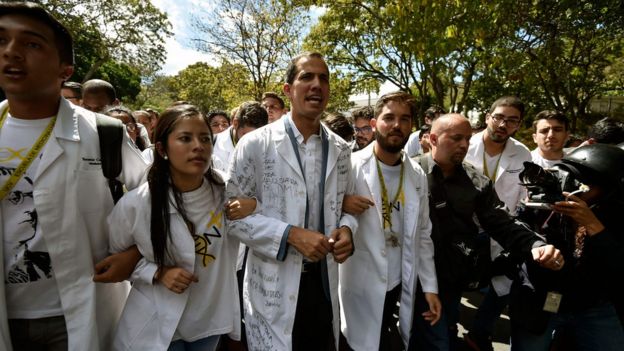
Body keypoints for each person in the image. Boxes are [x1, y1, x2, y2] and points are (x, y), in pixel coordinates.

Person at [0, 3, 146, 350]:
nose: (11, 52)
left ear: (65, 69)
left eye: (31, 44)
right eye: (2, 40)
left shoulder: (103, 133)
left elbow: (156, 195)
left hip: (78, 314)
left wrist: (136, 253)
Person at [226, 52, 356, 350]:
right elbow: (230, 215)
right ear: (288, 89)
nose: (316, 85)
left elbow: (344, 205)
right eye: (306, 77)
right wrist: (290, 235)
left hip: (324, 285)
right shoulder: (255, 144)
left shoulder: (341, 149)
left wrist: (348, 230)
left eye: (323, 78)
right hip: (273, 285)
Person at [410, 114, 563, 351]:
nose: (464, 144)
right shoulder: (408, 172)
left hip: (448, 279)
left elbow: (501, 222)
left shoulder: (476, 182)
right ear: (432, 139)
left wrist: (535, 246)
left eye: (467, 139)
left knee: (439, 337)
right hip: (406, 274)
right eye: (456, 138)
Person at [107, 105, 242, 350]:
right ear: (162, 148)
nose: (198, 146)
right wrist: (157, 272)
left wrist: (252, 204)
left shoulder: (228, 191)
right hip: (155, 323)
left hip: (207, 321)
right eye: (185, 138)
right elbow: (114, 259)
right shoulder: (136, 204)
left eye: (204, 139)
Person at [339, 92, 441, 350]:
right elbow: (330, 216)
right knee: (352, 340)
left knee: (384, 335)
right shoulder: (350, 166)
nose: (397, 125)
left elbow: (423, 234)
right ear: (374, 124)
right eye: (389, 118)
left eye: (404, 119)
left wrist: (430, 286)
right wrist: (341, 205)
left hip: (397, 279)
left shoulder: (416, 173)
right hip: (359, 280)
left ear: (412, 126)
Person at [509, 144, 624, 351]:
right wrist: (537, 246)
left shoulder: (616, 213)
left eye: (583, 183)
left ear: (606, 189)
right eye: (569, 175)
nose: (571, 185)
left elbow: (618, 262)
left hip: (593, 305)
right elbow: (515, 229)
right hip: (540, 298)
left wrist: (592, 224)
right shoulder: (547, 197)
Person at [463, 97, 531, 350]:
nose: (504, 124)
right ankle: (446, 328)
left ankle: (478, 333)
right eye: (499, 117)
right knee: (454, 280)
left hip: (499, 232)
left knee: (503, 284)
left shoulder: (522, 153)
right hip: (463, 228)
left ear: (519, 125)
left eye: (512, 121)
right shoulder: (464, 144)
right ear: (487, 117)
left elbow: (524, 194)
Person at [212, 101, 268, 173]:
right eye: (246, 136)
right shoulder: (212, 146)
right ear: (235, 124)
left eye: (257, 138)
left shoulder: (270, 145)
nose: (251, 143)